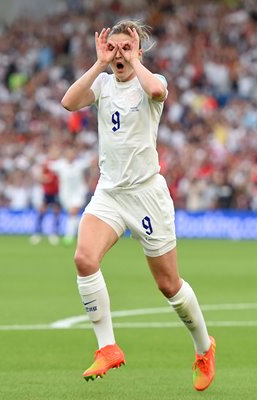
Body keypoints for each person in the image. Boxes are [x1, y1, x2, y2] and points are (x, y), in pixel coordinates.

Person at [61, 20, 216, 391]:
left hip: (147, 195)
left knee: (168, 285)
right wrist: (100, 64)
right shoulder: (102, 83)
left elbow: (159, 91)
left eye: (125, 48)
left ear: (139, 51)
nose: (118, 54)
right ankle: (108, 347)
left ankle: (203, 347)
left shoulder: (151, 81)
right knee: (84, 259)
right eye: (112, 48)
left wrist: (134, 60)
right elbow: (68, 102)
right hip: (110, 192)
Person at [48, 146, 91, 245]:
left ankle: (69, 236)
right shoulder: (60, 164)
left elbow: (91, 162)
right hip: (65, 194)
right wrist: (54, 153)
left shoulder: (79, 164)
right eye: (69, 154)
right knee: (72, 215)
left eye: (72, 154)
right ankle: (79, 233)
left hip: (78, 192)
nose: (71, 156)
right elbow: (48, 164)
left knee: (73, 212)